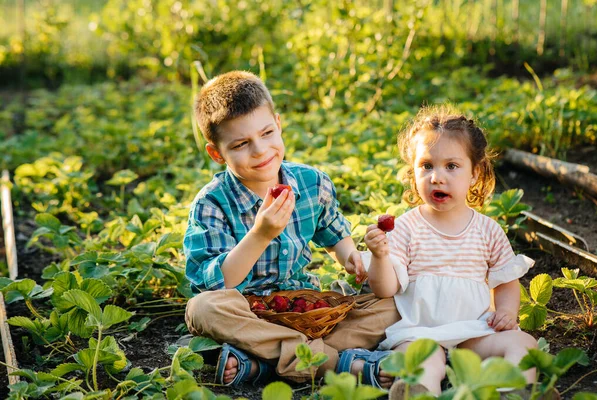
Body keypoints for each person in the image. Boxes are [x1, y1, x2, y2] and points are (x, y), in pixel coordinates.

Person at [183, 71, 400, 388]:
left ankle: (263, 363)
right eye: (242, 144)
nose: (260, 150)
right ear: (217, 153)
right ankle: (337, 364)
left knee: (395, 303)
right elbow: (217, 284)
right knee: (202, 309)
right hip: (248, 314)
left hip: (307, 312)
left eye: (267, 133)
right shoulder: (211, 205)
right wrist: (260, 235)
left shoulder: (311, 183)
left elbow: (332, 231)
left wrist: (352, 257)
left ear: (279, 124)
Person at [363, 105, 537, 396]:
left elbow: (506, 280)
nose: (437, 177)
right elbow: (385, 288)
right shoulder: (406, 228)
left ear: (474, 174)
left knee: (523, 344)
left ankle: (512, 389)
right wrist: (380, 257)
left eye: (451, 166)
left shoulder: (487, 230)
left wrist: (506, 311)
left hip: (474, 330)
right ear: (413, 171)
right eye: (427, 166)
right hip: (421, 331)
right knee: (422, 360)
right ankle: (419, 390)